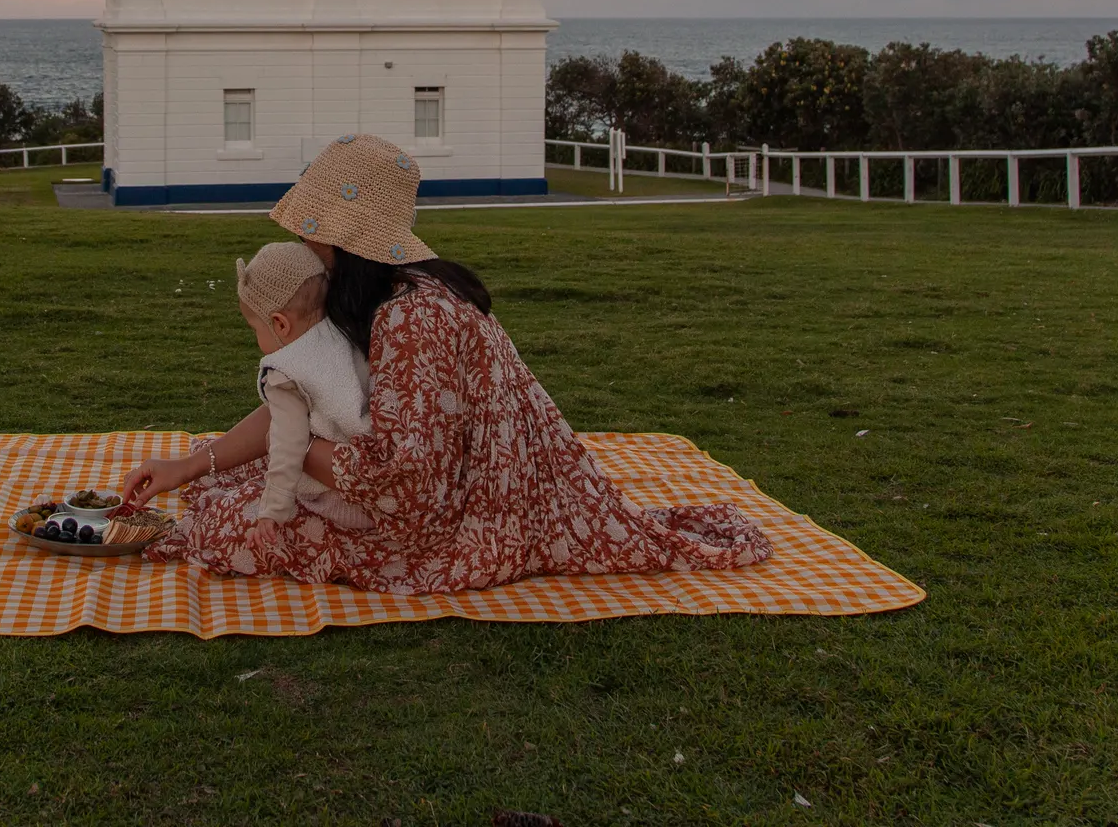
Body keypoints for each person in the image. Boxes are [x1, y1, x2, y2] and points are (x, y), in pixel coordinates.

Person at [125, 134, 770, 591]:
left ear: (344, 240)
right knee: (227, 493)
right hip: (461, 484)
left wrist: (288, 454)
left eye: (310, 227)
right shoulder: (383, 294)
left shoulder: (412, 319)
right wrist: (189, 464)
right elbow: (297, 404)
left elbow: (406, 484)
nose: (300, 239)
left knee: (239, 530)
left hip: (472, 510)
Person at [234, 241, 376, 538]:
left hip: (340, 503)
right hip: (379, 490)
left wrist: (272, 510)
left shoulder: (286, 373)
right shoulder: (349, 331)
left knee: (224, 517)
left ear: (280, 324)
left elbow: (288, 443)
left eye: (255, 329)